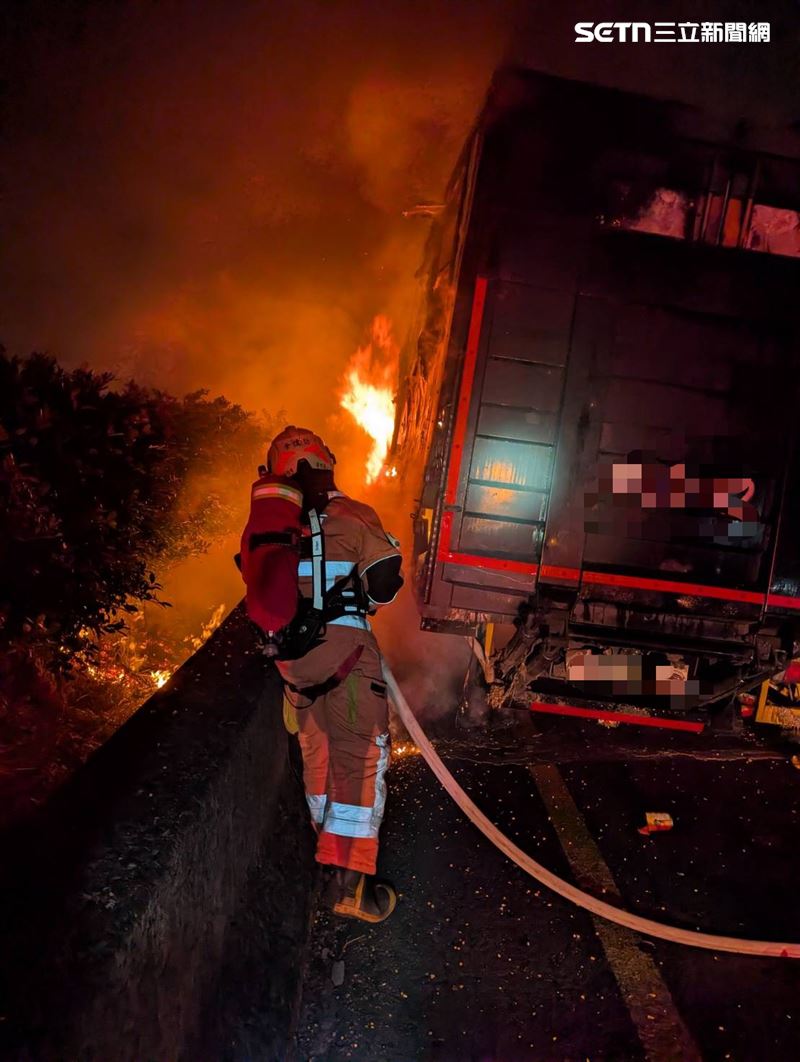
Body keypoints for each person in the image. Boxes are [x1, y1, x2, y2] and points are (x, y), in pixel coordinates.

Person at [261, 426, 404, 923]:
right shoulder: (354, 514)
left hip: (295, 665)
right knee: (361, 760)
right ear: (328, 463)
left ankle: (324, 858)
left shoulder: (278, 525)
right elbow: (384, 587)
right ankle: (349, 886)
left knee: (317, 758)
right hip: (346, 657)